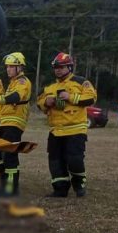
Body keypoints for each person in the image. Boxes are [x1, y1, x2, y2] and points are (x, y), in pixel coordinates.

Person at [36, 52, 97, 197]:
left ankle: (79, 185)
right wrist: (46, 102)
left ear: (69, 67)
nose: (58, 70)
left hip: (75, 129)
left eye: (61, 67)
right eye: (56, 67)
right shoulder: (49, 87)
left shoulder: (81, 82)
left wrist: (71, 97)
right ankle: (60, 189)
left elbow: (91, 98)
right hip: (56, 130)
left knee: (74, 160)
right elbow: (39, 102)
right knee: (55, 161)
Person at [0, 52, 31, 197]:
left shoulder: (23, 82)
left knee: (9, 156)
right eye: (7, 67)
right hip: (5, 123)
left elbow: (15, 97)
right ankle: (4, 184)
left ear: (19, 67)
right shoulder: (12, 83)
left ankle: (11, 188)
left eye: (12, 66)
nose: (8, 69)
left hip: (14, 124)